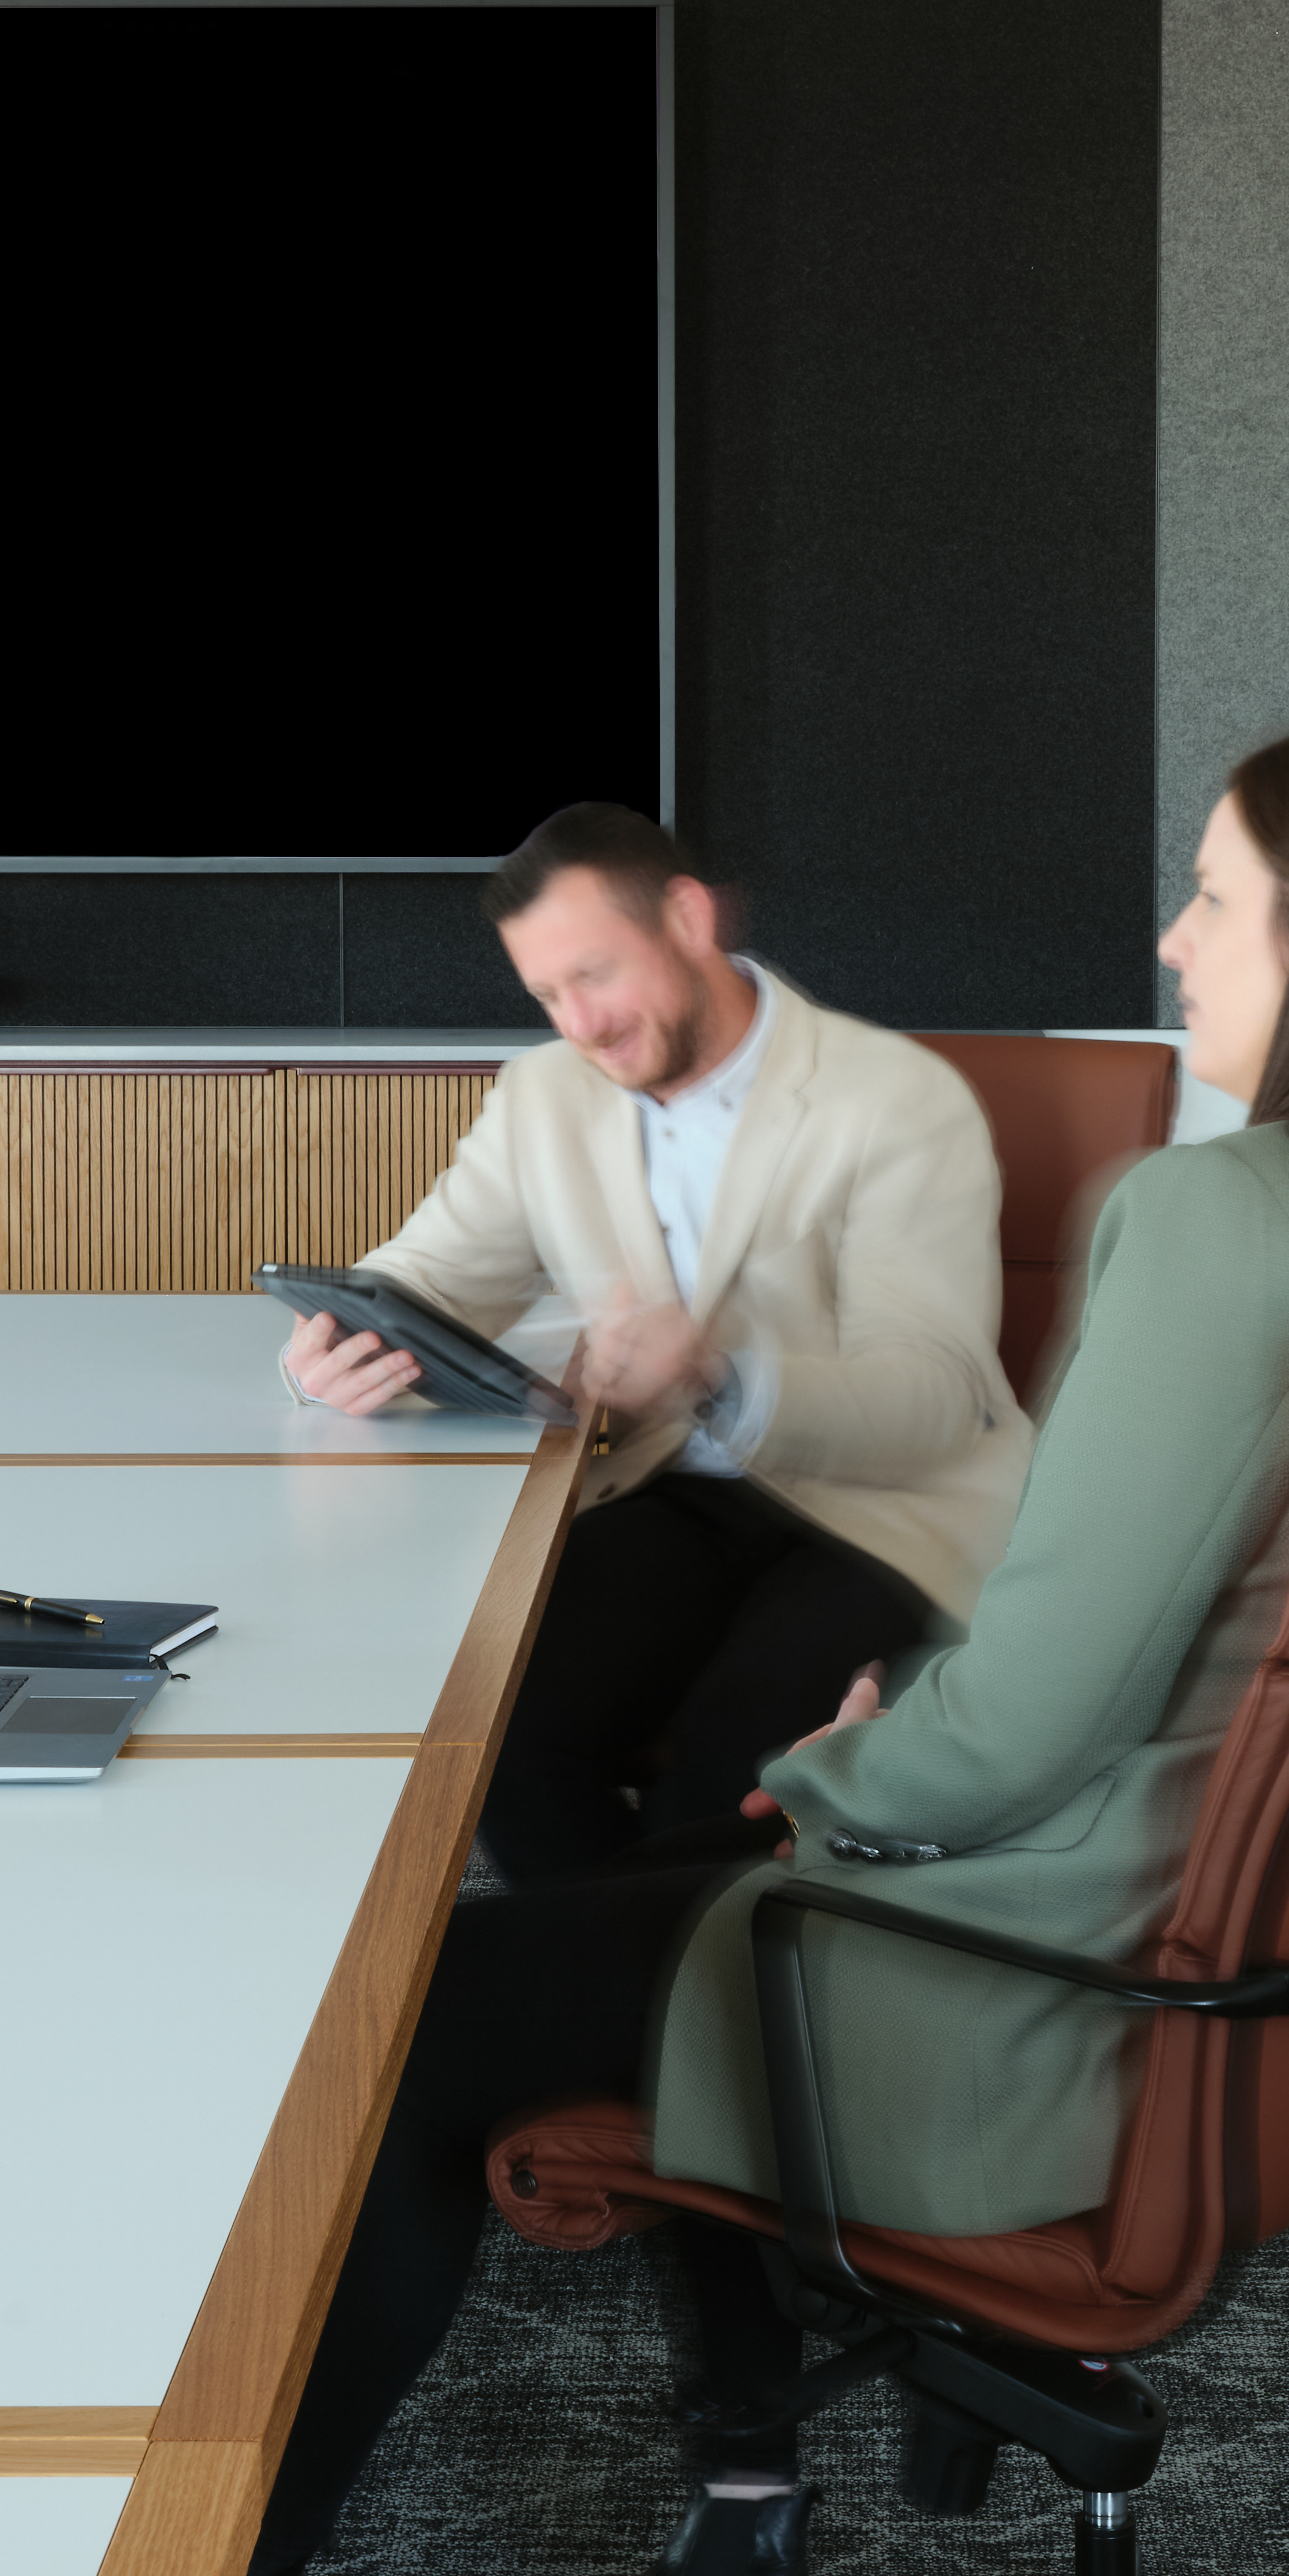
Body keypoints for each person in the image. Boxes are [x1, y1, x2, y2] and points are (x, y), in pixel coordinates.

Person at [203, 724, 1289, 2576]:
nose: (1172, 932)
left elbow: (1026, 1702)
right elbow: (1186, 1655)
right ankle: (733, 2544)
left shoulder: (1219, 1224)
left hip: (1061, 1971)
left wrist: (831, 1787)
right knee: (612, 1883)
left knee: (435, 2009)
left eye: (1215, 894)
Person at [279, 803, 1028, 1884]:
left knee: (727, 1771)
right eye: (545, 993)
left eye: (594, 974)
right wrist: (329, 1347)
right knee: (493, 1719)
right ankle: (633, 2006)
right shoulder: (545, 1092)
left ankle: (624, 2011)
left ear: (687, 918)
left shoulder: (896, 1096)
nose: (577, 1022)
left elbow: (938, 1392)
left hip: (879, 1508)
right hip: (668, 1486)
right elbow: (427, 1277)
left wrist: (716, 1372)